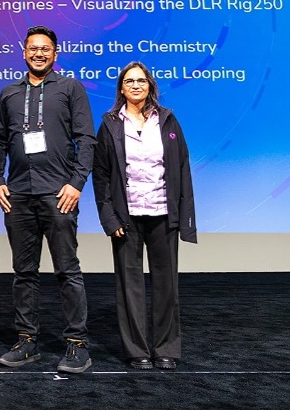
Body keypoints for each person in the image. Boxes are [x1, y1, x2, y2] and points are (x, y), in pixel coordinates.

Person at [0, 25, 96, 373]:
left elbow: (86, 139)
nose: (39, 53)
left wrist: (76, 183)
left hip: (58, 193)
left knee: (67, 270)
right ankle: (26, 341)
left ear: (55, 54)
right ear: (24, 52)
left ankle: (77, 343)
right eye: (33, 48)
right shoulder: (9, 93)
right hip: (19, 194)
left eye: (45, 49)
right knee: (24, 273)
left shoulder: (70, 88)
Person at [92, 61, 197, 370]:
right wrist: (109, 218)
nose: (136, 85)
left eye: (141, 80)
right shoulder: (110, 124)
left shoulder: (167, 120)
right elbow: (101, 175)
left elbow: (182, 168)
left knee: (167, 286)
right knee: (130, 287)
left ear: (150, 85)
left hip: (163, 213)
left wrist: (185, 216)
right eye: (129, 81)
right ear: (121, 89)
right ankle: (136, 350)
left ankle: (166, 349)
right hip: (126, 218)